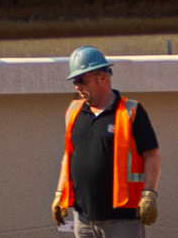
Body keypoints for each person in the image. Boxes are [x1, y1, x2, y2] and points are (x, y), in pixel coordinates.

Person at [53, 48, 159, 233]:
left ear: (101, 78)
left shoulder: (130, 111)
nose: (77, 86)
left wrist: (149, 194)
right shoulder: (74, 111)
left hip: (122, 218)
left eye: (81, 80)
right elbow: (68, 156)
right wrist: (60, 193)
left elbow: (152, 154)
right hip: (83, 216)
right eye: (75, 82)